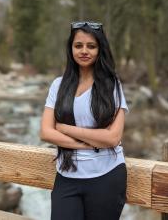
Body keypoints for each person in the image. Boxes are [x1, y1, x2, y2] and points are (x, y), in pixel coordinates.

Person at [40, 21, 129, 220]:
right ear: (71, 48)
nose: (84, 51)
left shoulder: (111, 84)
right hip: (67, 175)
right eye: (78, 45)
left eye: (91, 46)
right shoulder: (58, 85)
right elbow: (46, 132)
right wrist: (91, 144)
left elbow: (113, 138)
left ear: (100, 49)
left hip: (106, 175)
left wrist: (64, 128)